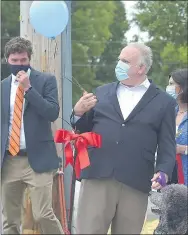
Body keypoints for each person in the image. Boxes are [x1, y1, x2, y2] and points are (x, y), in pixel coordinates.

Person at [70, 42, 177, 234]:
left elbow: (167, 144)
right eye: (119, 59)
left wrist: (163, 171)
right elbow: (83, 129)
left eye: (125, 61)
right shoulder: (102, 92)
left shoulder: (164, 102)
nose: (118, 64)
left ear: (141, 68)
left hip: (135, 181)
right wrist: (77, 113)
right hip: (97, 175)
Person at [1, 37, 64, 234]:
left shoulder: (45, 81)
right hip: (9, 160)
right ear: (7, 60)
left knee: (43, 214)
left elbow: (52, 112)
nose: (19, 64)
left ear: (29, 59)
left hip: (38, 160)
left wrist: (28, 89)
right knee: (9, 219)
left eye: (23, 60)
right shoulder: (2, 86)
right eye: (15, 60)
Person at [166, 68, 188, 186]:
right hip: (169, 179)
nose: (168, 88)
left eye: (171, 84)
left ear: (183, 87)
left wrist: (183, 149)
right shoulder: (169, 113)